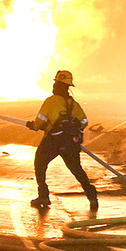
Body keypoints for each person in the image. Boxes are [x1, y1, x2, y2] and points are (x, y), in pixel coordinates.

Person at [25, 69, 97, 211]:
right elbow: (84, 122)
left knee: (40, 163)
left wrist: (33, 126)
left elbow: (39, 123)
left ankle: (43, 195)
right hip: (70, 142)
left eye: (56, 83)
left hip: (53, 140)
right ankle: (91, 196)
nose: (54, 86)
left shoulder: (50, 102)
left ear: (58, 85)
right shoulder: (73, 104)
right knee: (76, 169)